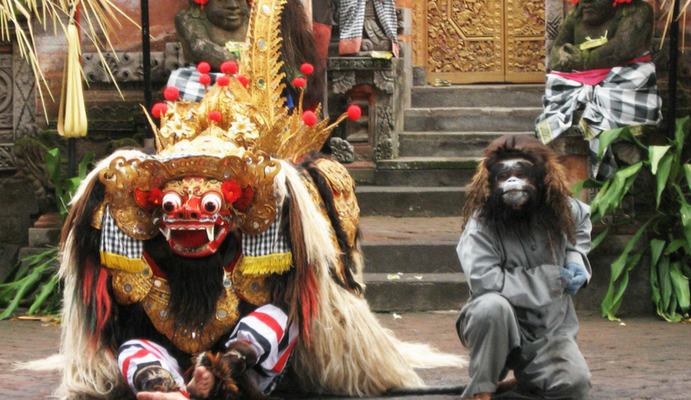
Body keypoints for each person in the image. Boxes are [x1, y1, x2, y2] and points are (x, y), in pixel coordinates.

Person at [31, 1, 464, 399]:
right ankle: (158, 382)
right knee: (135, 345)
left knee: (276, 320)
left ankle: (228, 372)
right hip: (166, 335)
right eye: (172, 206)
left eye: (207, 206)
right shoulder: (128, 216)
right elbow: (114, 322)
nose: (187, 215)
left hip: (247, 364)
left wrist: (234, 358)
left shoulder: (276, 211)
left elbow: (291, 304)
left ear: (242, 205)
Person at [456, 134, 592, 400]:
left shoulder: (562, 209)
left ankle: (524, 387)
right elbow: (484, 280)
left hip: (549, 327)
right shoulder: (480, 225)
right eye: (503, 177)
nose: (513, 182)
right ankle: (482, 388)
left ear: (541, 179)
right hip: (497, 325)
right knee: (490, 306)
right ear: (491, 182)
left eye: (521, 174)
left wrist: (576, 262)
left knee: (574, 387)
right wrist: (549, 279)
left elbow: (579, 230)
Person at [535, 0, 661, 178]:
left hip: (622, 79)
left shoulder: (636, 10)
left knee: (637, 77)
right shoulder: (578, 11)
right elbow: (557, 46)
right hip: (579, 79)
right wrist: (561, 55)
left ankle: (617, 144)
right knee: (556, 83)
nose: (585, 1)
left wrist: (584, 60)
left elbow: (621, 49)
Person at [168, 0, 323, 109]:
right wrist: (245, 61)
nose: (233, 5)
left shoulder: (257, 17)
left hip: (257, 76)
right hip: (208, 79)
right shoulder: (188, 18)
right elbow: (201, 49)